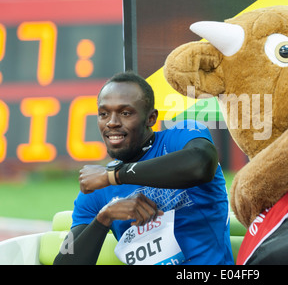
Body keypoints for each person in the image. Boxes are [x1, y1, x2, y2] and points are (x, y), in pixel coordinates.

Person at [54, 71, 234, 265]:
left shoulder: (182, 136)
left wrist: (115, 176)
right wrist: (104, 217)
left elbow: (201, 164)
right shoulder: (99, 191)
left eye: (125, 113)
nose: (112, 122)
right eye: (104, 114)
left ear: (151, 118)